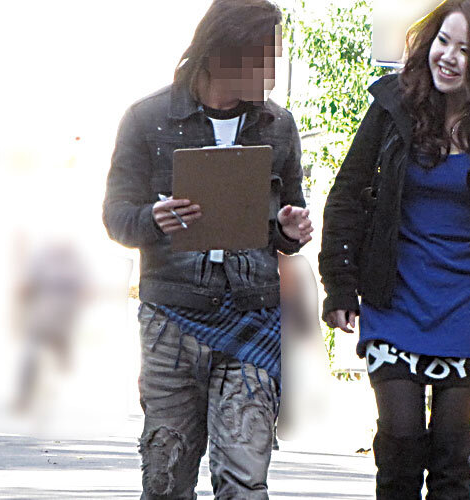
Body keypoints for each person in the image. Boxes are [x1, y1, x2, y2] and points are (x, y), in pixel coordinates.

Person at [318, 0, 470, 498]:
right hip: (395, 297)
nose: (448, 56)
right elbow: (347, 194)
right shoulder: (394, 105)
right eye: (443, 41)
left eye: (465, 50)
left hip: (468, 306)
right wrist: (339, 283)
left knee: (450, 452)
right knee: (400, 443)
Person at [102, 1, 312, 498]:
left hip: (252, 318)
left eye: (275, 58)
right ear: (222, 53)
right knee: (166, 479)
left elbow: (289, 217)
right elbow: (117, 217)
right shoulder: (148, 120)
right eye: (262, 59)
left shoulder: (278, 126)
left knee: (244, 482)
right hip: (171, 320)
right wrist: (152, 219)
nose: (271, 72)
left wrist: (291, 229)